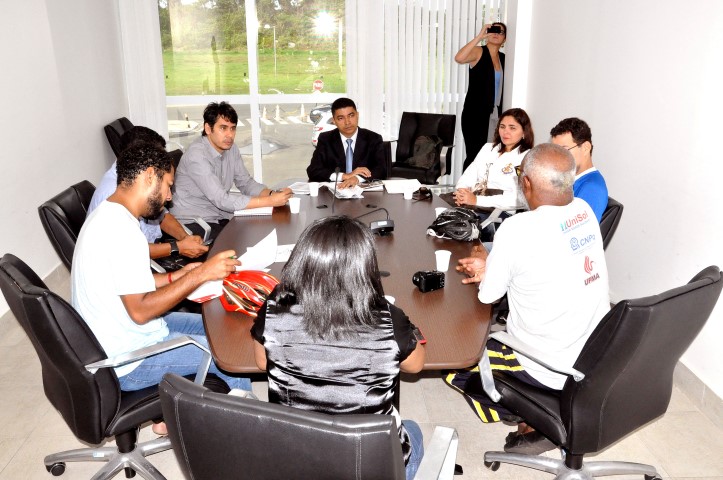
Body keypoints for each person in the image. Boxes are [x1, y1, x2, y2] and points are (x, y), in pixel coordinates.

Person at [72, 142, 252, 432]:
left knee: (218, 325)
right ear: (149, 177)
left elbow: (134, 284)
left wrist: (181, 275)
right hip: (127, 359)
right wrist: (201, 273)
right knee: (225, 353)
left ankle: (176, 413)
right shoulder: (120, 231)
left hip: (120, 330)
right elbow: (141, 311)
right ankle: (245, 429)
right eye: (168, 186)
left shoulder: (110, 216)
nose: (169, 198)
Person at [448, 144, 610, 454]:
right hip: (593, 357)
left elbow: (488, 296)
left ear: (526, 183)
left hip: (545, 365)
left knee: (457, 354)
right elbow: (553, 259)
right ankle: (539, 413)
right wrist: (496, 265)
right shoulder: (585, 212)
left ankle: (532, 414)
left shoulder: (517, 228)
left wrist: (493, 270)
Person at [251, 216, 426, 479]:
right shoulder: (389, 319)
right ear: (365, 267)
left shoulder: (275, 308)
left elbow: (263, 364)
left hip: (292, 458)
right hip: (368, 464)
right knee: (413, 430)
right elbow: (415, 365)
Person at [170, 102, 292, 240]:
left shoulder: (231, 149)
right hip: (194, 221)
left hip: (218, 215)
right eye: (223, 128)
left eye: (233, 128)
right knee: (243, 242)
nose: (230, 135)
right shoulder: (196, 156)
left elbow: (245, 183)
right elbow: (222, 200)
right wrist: (270, 201)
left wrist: (272, 194)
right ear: (208, 129)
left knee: (261, 230)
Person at [89, 126, 208, 261]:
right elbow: (134, 252)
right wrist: (178, 247)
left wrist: (184, 237)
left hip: (157, 246)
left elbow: (161, 216)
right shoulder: (114, 195)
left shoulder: (137, 184)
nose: (169, 197)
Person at [453, 108, 534, 214]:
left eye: (512, 128)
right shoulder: (488, 148)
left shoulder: (527, 158)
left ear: (524, 132)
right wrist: (462, 191)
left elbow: (519, 199)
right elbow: (470, 173)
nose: (506, 132)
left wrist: (477, 200)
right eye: (502, 126)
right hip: (472, 203)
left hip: (498, 212)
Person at [456, 22, 507, 171]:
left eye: (501, 32)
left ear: (505, 39)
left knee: (492, 155)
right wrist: (480, 36)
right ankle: (464, 190)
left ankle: (482, 191)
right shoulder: (479, 52)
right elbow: (459, 58)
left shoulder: (504, 59)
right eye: (493, 30)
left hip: (496, 115)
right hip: (474, 113)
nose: (496, 33)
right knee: (474, 155)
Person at [306, 97, 387, 189]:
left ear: (357, 115)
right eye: (341, 118)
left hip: (365, 195)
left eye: (351, 115)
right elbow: (313, 170)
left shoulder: (373, 138)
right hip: (335, 193)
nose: (347, 122)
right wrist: (344, 176)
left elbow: (381, 169)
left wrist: (356, 178)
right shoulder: (326, 139)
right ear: (334, 121)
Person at [550, 117, 609, 222]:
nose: (557, 157)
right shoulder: (568, 178)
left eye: (564, 150)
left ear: (586, 148)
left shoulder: (592, 188)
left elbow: (574, 232)